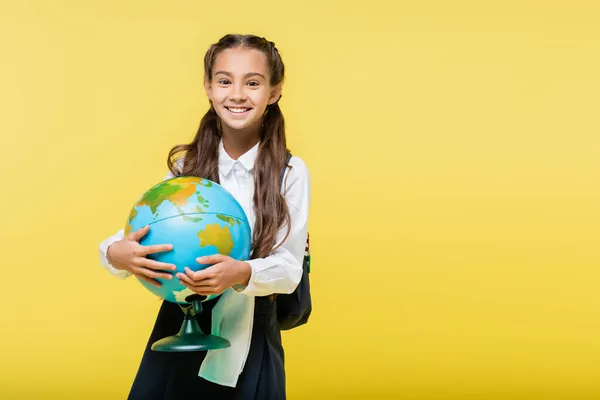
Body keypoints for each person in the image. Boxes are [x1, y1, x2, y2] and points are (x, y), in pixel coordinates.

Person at [98, 33, 310, 400]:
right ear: (209, 88)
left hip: (251, 337)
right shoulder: (188, 168)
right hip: (181, 329)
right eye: (225, 81)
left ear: (274, 92)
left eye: (253, 83)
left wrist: (242, 272)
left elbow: (290, 268)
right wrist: (116, 254)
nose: (238, 94)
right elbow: (147, 229)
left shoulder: (290, 172)